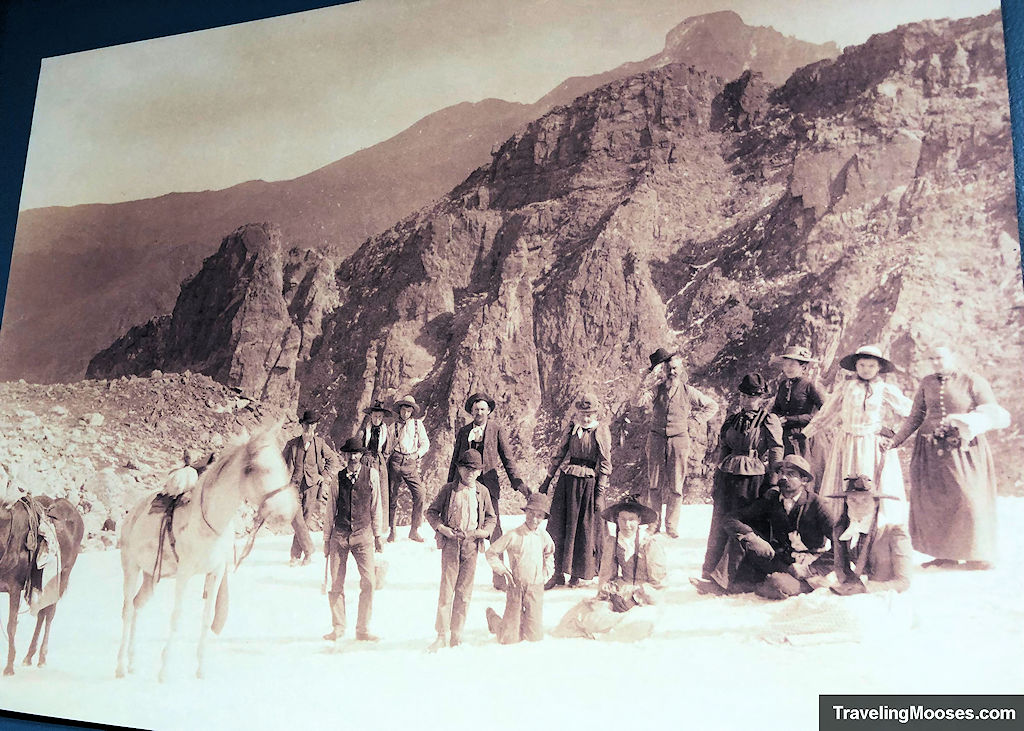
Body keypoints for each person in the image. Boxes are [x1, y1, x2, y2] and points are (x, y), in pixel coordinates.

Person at [890, 345, 1010, 570]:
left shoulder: (972, 380)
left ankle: (977, 554)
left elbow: (992, 412)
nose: (936, 362)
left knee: (968, 498)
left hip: (964, 449)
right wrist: (896, 441)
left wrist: (965, 423)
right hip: (930, 451)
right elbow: (916, 416)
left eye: (940, 358)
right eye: (932, 358)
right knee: (935, 501)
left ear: (953, 357)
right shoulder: (926, 382)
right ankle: (944, 555)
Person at [693, 454, 833, 598]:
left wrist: (812, 569)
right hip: (780, 561)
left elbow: (841, 545)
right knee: (742, 537)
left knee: (776, 584)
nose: (783, 478)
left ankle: (765, 585)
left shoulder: (817, 504)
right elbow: (731, 519)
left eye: (791, 474)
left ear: (804, 480)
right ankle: (720, 585)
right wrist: (752, 537)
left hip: (806, 568)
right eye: (781, 473)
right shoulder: (772, 498)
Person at [803, 345, 913, 524]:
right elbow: (827, 412)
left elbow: (911, 411)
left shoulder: (884, 389)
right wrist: (806, 433)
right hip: (847, 442)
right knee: (845, 484)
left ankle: (873, 529)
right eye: (862, 365)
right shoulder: (846, 387)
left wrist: (895, 434)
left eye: (871, 366)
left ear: (878, 367)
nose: (866, 370)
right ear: (855, 366)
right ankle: (839, 527)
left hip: (872, 444)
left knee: (869, 484)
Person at [700, 373, 784, 580]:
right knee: (719, 521)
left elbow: (776, 450)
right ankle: (711, 572)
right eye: (743, 396)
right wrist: (716, 479)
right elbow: (724, 449)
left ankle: (739, 577)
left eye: (752, 397)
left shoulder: (768, 420)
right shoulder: (732, 420)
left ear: (761, 398)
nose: (746, 401)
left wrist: (773, 482)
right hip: (727, 477)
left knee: (744, 524)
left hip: (752, 479)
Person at [552, 495, 666, 641]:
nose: (627, 524)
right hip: (621, 591)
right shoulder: (613, 542)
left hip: (647, 598)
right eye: (622, 519)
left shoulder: (650, 545)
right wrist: (612, 595)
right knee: (583, 615)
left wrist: (636, 598)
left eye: (631, 519)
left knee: (638, 622)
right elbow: (606, 576)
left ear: (639, 521)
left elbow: (659, 584)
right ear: (617, 520)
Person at [448, 392, 527, 588]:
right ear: (471, 412)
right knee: (462, 527)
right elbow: (454, 459)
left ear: (489, 411)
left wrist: (517, 482)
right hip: (465, 486)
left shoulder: (496, 430)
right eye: (476, 410)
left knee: (494, 530)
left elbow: (507, 457)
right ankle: (460, 577)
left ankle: (500, 579)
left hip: (488, 487)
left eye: (483, 409)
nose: (479, 413)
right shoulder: (464, 431)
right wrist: (450, 484)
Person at [638, 348, 719, 537]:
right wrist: (645, 380)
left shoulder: (688, 391)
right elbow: (637, 401)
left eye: (675, 368)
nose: (672, 372)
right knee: (654, 484)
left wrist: (695, 420)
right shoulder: (656, 390)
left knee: (676, 486)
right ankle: (654, 523)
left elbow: (712, 406)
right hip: (656, 439)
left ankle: (671, 525)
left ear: (681, 370)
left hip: (679, 441)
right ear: (663, 370)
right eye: (669, 368)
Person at [424, 449, 496, 652]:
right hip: (450, 544)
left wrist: (482, 533)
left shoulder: (482, 492)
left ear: (480, 472)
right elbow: (431, 512)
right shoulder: (448, 490)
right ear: (459, 468)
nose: (470, 473)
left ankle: (456, 634)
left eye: (474, 469)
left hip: (471, 546)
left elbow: (491, 517)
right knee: (447, 590)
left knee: (464, 593)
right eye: (466, 468)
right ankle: (441, 634)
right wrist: (442, 529)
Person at [542, 393, 612, 590]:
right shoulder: (572, 429)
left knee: (583, 528)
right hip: (567, 482)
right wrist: (548, 480)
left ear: (595, 413)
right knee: (559, 525)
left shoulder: (600, 431)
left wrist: (599, 493)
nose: (586, 418)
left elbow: (605, 464)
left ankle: (577, 573)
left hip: (588, 485)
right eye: (582, 413)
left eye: (589, 414)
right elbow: (559, 454)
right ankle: (556, 572)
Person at [322, 437, 384, 643]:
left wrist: (377, 535)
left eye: (357, 453)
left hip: (363, 535)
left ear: (362, 455)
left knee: (369, 582)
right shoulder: (336, 478)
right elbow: (330, 509)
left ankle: (363, 629)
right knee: (336, 583)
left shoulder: (372, 475)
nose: (353, 457)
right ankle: (338, 627)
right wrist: (326, 539)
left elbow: (376, 506)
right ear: (344, 455)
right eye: (349, 454)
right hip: (339, 536)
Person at [484, 492, 555, 644]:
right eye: (531, 513)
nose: (534, 519)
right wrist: (502, 570)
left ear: (543, 518)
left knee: (534, 637)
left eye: (539, 516)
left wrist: (545, 574)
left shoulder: (543, 536)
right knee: (508, 639)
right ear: (525, 512)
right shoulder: (514, 535)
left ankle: (524, 622)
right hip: (516, 587)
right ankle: (493, 619)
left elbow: (550, 554)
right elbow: (491, 553)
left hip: (535, 588)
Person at [828, 474, 912, 594]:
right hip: (855, 594)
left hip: (888, 594)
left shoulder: (895, 532)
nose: (859, 505)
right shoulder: (842, 529)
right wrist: (849, 584)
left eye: (865, 500)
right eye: (853, 500)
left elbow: (904, 581)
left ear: (876, 503)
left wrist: (866, 589)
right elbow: (841, 568)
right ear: (846, 501)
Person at [282, 410, 333, 566]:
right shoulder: (292, 444)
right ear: (302, 425)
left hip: (311, 487)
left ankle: (296, 556)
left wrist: (322, 476)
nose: (309, 428)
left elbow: (332, 459)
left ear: (316, 426)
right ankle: (308, 551)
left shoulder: (320, 443)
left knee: (305, 519)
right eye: (306, 424)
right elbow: (280, 463)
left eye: (312, 425)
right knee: (296, 519)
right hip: (294, 486)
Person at [387, 395, 430, 543]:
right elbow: (387, 447)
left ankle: (414, 530)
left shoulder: (418, 425)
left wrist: (417, 455)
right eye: (403, 410)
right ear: (400, 410)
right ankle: (392, 530)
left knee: (420, 494)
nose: (405, 413)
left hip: (410, 462)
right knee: (392, 496)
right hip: (396, 460)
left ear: (412, 411)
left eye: (408, 410)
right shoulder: (393, 427)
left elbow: (425, 444)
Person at [771, 346, 825, 462]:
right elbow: (776, 408)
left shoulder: (810, 385)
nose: (787, 368)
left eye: (791, 364)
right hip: (783, 435)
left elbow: (824, 412)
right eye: (785, 365)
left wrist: (792, 419)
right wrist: (775, 418)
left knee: (799, 468)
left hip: (802, 436)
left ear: (803, 367)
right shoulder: (783, 385)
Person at [358, 400, 393, 536]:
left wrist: (380, 460)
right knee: (365, 494)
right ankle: (363, 528)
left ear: (382, 417)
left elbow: (387, 450)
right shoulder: (364, 431)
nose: (377, 419)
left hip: (379, 463)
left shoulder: (386, 432)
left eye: (379, 416)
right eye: (374, 416)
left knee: (380, 495)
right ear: (370, 416)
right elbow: (358, 447)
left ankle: (379, 529)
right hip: (365, 461)